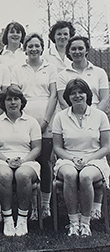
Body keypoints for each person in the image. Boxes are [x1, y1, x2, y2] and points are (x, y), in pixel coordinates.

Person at [53, 79, 110, 237]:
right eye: (73, 93)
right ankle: (73, 223)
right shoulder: (60, 117)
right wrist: (72, 159)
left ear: (87, 95)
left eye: (81, 92)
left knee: (85, 176)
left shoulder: (99, 116)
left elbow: (106, 146)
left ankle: (85, 223)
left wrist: (88, 159)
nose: (77, 96)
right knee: (70, 175)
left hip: (95, 159)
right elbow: (57, 147)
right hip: (67, 159)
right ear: (68, 97)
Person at [10, 33, 58, 220]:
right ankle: (30, 206)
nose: (34, 49)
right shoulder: (17, 69)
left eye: (37, 46)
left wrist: (45, 121)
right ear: (25, 48)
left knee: (45, 163)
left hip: (46, 122)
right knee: (28, 163)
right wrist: (25, 121)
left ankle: (44, 206)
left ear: (42, 47)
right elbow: (15, 95)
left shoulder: (50, 68)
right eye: (30, 46)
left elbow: (53, 96)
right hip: (25, 123)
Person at [0, 88, 42, 236]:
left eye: (16, 99)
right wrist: (6, 159)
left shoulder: (31, 122)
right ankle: (8, 219)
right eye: (9, 99)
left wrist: (24, 160)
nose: (12, 103)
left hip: (27, 160)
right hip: (1, 160)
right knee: (5, 175)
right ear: (3, 103)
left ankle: (22, 219)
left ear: (22, 101)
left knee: (23, 175)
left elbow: (37, 148)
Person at [57, 36, 109, 112]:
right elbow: (62, 101)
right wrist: (74, 117)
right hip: (72, 118)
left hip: (95, 115)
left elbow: (105, 98)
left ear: (86, 50)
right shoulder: (62, 75)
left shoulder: (100, 72)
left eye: (80, 48)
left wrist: (94, 115)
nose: (77, 52)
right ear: (68, 52)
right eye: (73, 49)